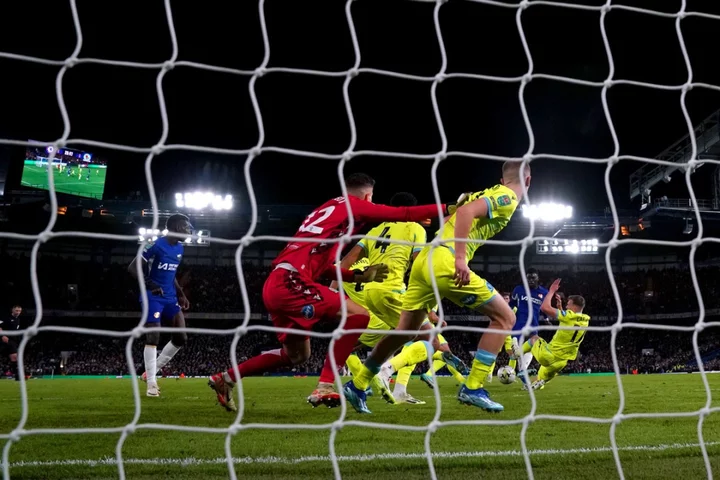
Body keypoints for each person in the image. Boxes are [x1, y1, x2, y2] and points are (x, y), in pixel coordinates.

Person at [207, 173, 463, 412]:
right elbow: (401, 212)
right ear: (366, 197)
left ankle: (225, 378)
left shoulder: (327, 217)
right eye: (371, 199)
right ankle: (327, 385)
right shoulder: (351, 204)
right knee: (359, 316)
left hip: (278, 283)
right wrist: (449, 208)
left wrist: (357, 276)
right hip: (292, 282)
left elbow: (325, 267)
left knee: (296, 356)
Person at [344, 161, 530, 413]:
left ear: (502, 178)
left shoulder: (483, 193)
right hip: (445, 260)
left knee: (404, 333)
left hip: (424, 261)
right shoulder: (506, 197)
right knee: (505, 317)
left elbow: (454, 215)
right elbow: (465, 214)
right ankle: (473, 387)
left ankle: (357, 384)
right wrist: (461, 258)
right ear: (528, 181)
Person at [129, 214, 192, 397]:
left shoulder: (180, 248)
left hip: (170, 297)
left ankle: (150, 372)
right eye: (186, 228)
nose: (189, 231)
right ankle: (151, 384)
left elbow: (171, 275)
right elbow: (133, 268)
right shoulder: (154, 244)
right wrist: (151, 285)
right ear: (177, 227)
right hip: (152, 296)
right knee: (153, 336)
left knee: (181, 338)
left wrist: (181, 294)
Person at [522, 279, 589, 390]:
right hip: (561, 363)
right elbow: (568, 323)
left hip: (550, 356)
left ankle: (515, 355)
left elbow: (544, 308)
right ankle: (540, 382)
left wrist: (551, 291)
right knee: (541, 376)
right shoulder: (585, 320)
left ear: (575, 307)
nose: (567, 307)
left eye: (568, 304)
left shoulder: (568, 316)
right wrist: (560, 308)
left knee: (534, 338)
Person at [497, 269, 548, 382]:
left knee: (530, 351)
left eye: (533, 277)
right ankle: (522, 374)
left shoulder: (544, 292)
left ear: (538, 279)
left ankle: (522, 372)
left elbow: (545, 308)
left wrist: (546, 318)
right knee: (517, 351)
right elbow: (512, 305)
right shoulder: (518, 290)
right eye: (528, 277)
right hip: (519, 324)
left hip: (534, 324)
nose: (530, 280)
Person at [0, 305, 23, 381]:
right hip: (3, 339)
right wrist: (2, 335)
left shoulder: (18, 320)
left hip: (12, 341)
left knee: (14, 357)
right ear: (12, 310)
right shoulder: (6, 318)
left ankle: (17, 376)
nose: (18, 312)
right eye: (16, 310)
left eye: (19, 311)